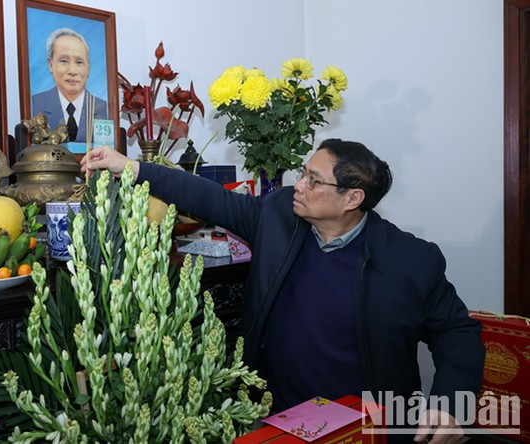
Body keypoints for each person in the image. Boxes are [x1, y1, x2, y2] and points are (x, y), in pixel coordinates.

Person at [81, 140, 485, 444]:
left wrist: (451, 406)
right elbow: (209, 197)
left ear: (352, 198)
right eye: (303, 172)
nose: (299, 185)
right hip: (280, 419)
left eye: (314, 180)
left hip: (367, 427)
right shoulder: (278, 218)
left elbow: (458, 334)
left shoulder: (410, 260)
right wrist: (129, 166)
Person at [31, 28, 107, 143]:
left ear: (88, 68)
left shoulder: (103, 109)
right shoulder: (34, 105)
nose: (72, 71)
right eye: (64, 61)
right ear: (50, 64)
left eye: (79, 62)